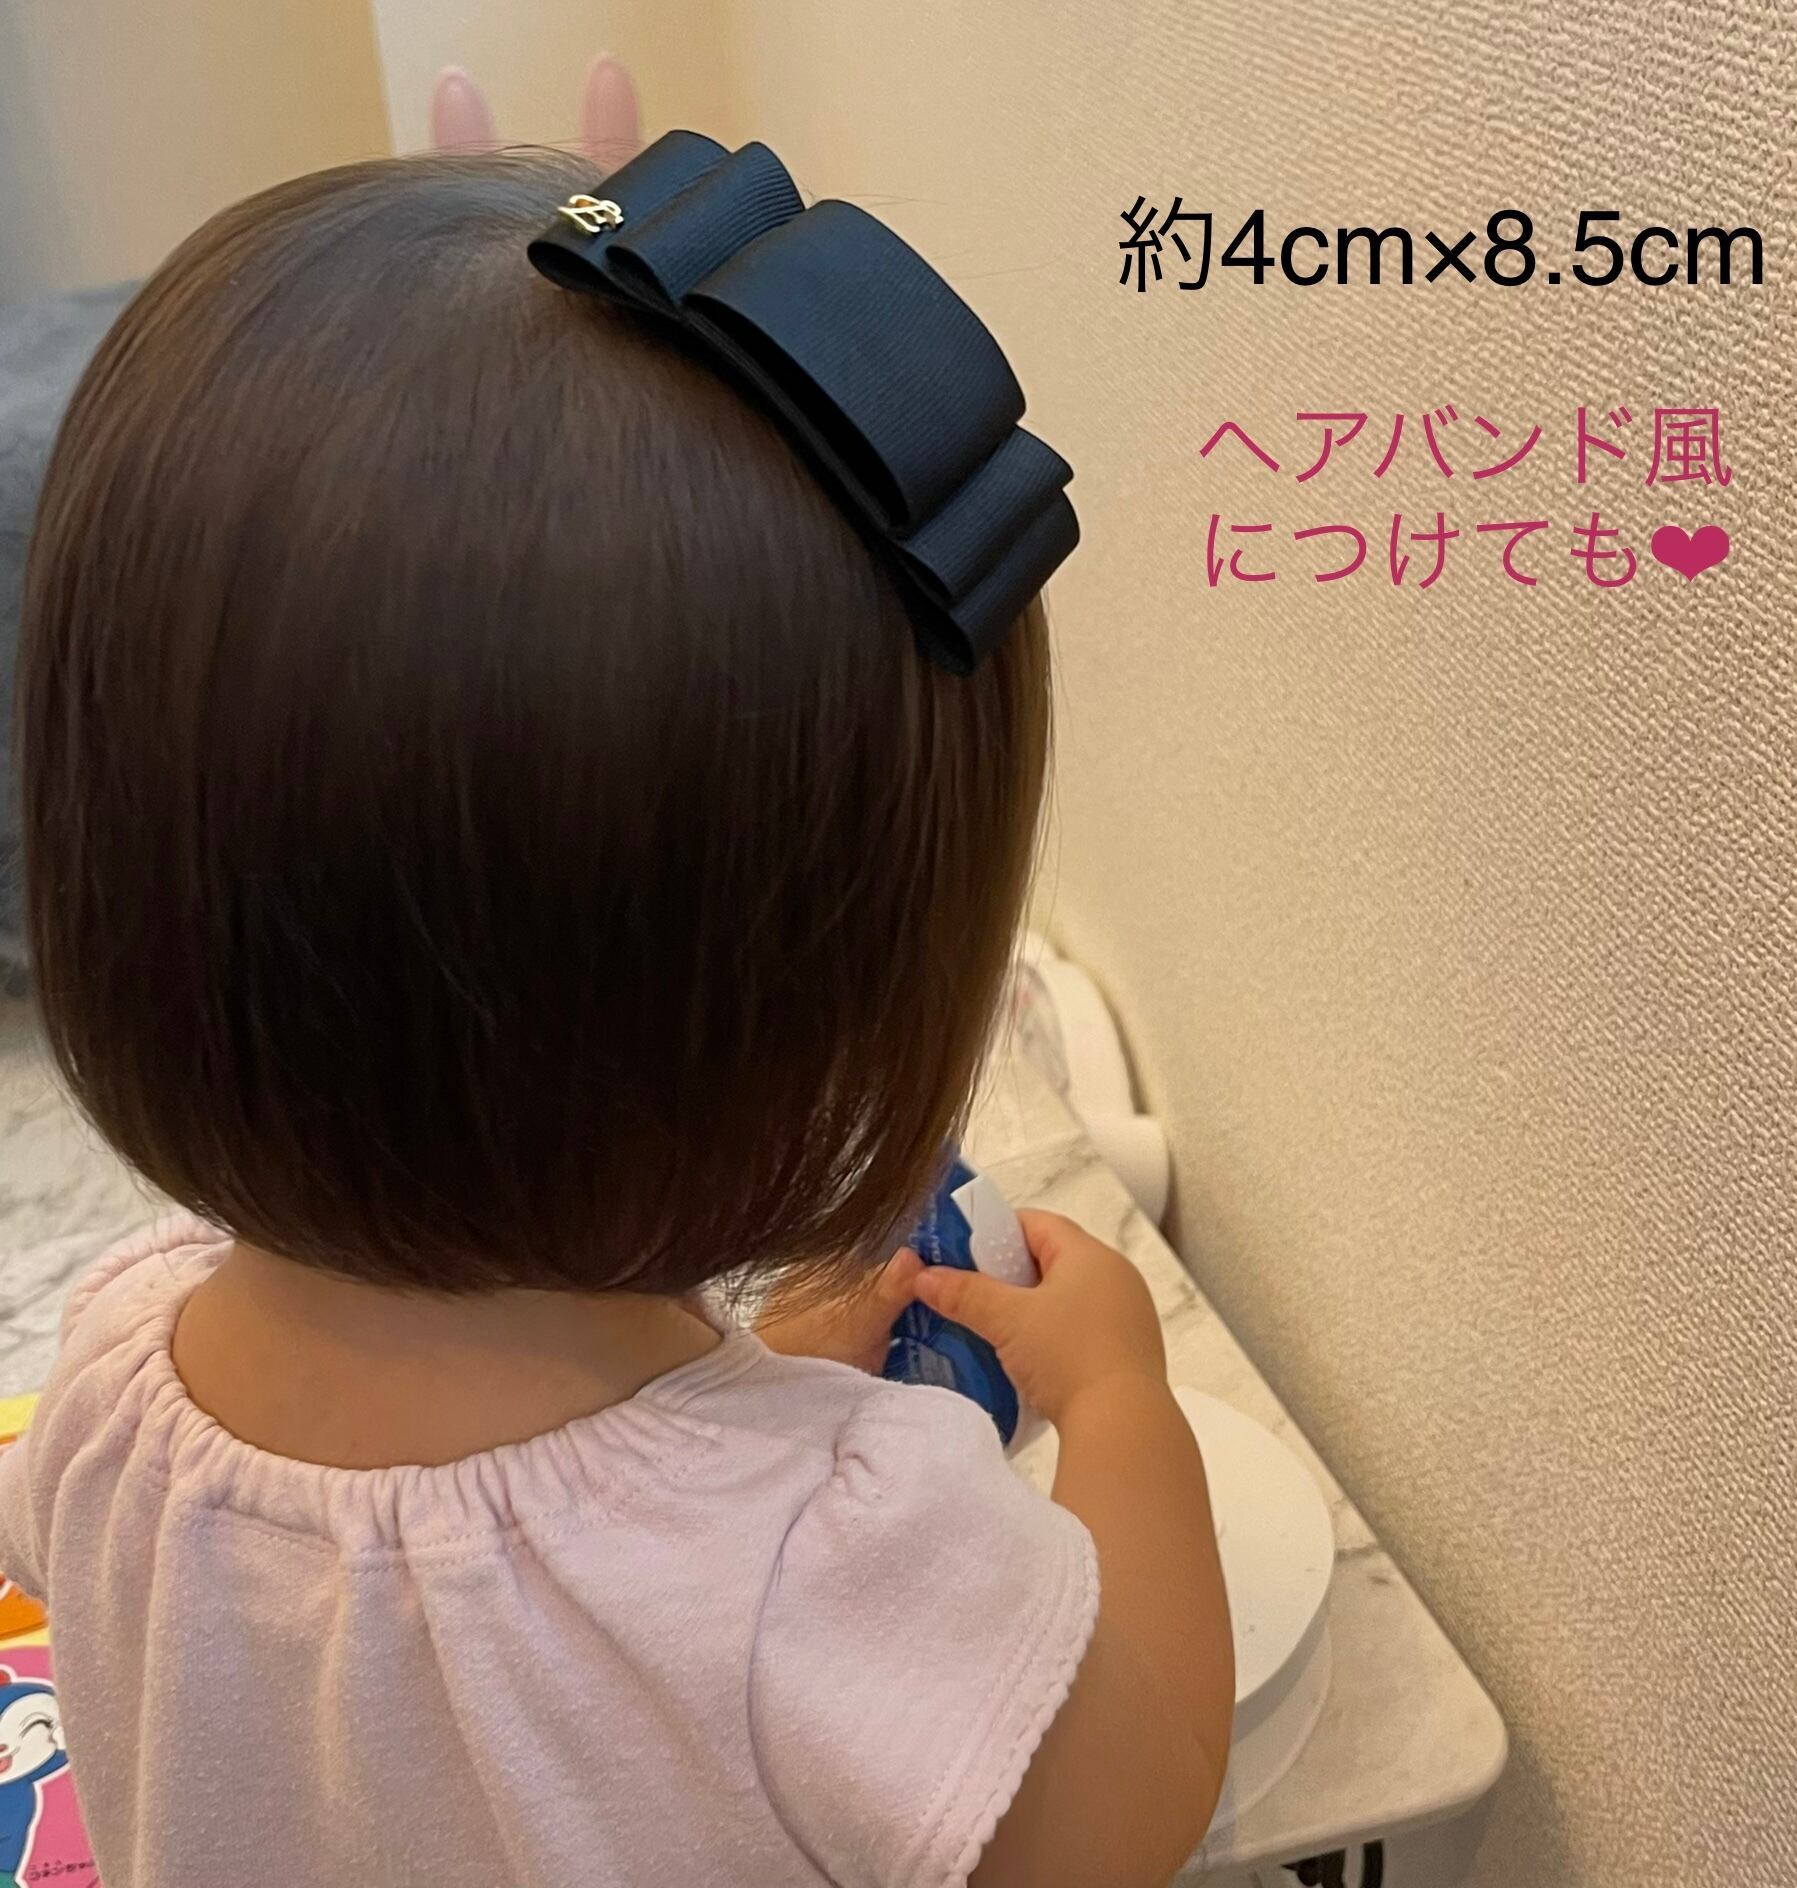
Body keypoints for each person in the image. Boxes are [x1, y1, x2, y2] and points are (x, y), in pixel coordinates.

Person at [0, 134, 1231, 1888]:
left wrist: (739, 1396)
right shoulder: (826, 1564)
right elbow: (1125, 1808)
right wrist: (1119, 1407)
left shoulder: (112, 1386)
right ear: (824, 1025)